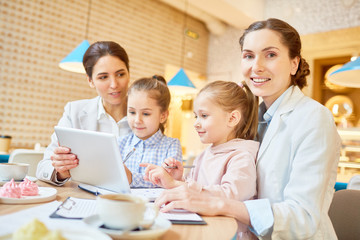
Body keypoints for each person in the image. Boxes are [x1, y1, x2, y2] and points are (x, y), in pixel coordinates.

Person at [154, 18, 341, 240]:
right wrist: (183, 183)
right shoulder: (255, 117)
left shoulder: (314, 118)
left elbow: (303, 218)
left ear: (294, 64)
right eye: (249, 56)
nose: (256, 66)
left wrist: (220, 204)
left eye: (270, 54)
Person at [141, 80, 259, 239]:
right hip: (204, 227)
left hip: (230, 234)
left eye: (204, 116)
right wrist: (180, 179)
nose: (196, 124)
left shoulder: (241, 157)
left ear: (232, 119)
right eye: (196, 116)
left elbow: (231, 197)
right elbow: (195, 191)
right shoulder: (205, 154)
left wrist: (178, 185)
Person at [36, 41, 132, 185]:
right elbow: (43, 167)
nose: (114, 84)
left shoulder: (147, 113)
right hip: (85, 198)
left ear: (129, 74)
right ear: (90, 81)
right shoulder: (74, 112)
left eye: (120, 74)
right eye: (103, 77)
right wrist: (61, 171)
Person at [118, 75, 182, 188]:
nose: (137, 120)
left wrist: (132, 178)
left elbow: (168, 182)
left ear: (163, 116)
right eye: (132, 112)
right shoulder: (120, 143)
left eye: (146, 114)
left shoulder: (171, 145)